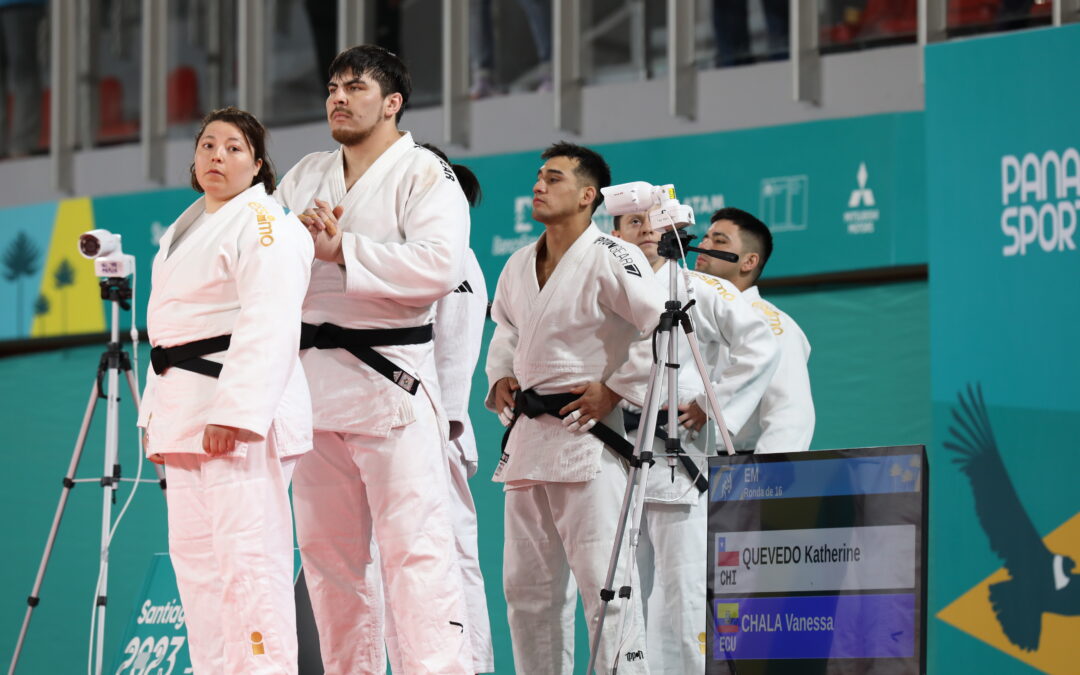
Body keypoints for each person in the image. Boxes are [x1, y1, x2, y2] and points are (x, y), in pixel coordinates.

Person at [274, 45, 472, 674]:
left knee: (415, 553)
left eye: (355, 86)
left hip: (391, 384)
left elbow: (439, 266)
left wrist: (340, 251)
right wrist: (301, 249)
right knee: (329, 560)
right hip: (313, 389)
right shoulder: (305, 173)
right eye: (332, 86)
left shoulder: (426, 176)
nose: (338, 96)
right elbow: (267, 265)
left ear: (392, 104)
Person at [137, 106, 314, 674]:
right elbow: (167, 339)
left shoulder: (265, 222)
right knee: (198, 571)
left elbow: (272, 320)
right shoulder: (183, 231)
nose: (218, 155)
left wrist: (237, 413)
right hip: (184, 415)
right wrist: (154, 419)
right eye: (208, 145)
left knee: (249, 566)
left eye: (234, 147)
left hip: (233, 420)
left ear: (258, 164)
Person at [486, 142, 664, 674]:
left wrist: (615, 388)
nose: (539, 185)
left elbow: (661, 329)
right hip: (528, 440)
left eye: (555, 178)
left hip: (589, 439)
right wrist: (500, 375)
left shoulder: (615, 255)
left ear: (588, 196)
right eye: (539, 176)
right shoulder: (519, 262)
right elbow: (507, 331)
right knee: (527, 592)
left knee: (605, 586)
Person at [611, 209, 778, 674]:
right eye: (633, 223)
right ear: (614, 233)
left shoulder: (701, 289)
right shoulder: (605, 286)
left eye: (654, 224)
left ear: (674, 233)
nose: (645, 232)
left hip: (674, 457)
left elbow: (761, 346)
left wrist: (712, 403)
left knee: (685, 599)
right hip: (613, 456)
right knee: (618, 597)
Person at [382, 142, 495, 673]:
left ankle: (469, 665)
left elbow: (454, 350)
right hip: (404, 427)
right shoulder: (414, 250)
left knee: (449, 562)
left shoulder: (456, 259)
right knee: (403, 568)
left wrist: (443, 420)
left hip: (433, 429)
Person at [695, 207, 815, 453]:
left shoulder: (773, 326)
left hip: (732, 465)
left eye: (719, 240)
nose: (704, 245)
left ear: (749, 261)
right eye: (705, 237)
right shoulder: (687, 311)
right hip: (669, 461)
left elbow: (789, 416)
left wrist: (765, 484)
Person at [0, 0, 45, 157]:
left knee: (24, 72)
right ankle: (19, 146)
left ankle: (22, 145)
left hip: (22, 4)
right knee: (25, 74)